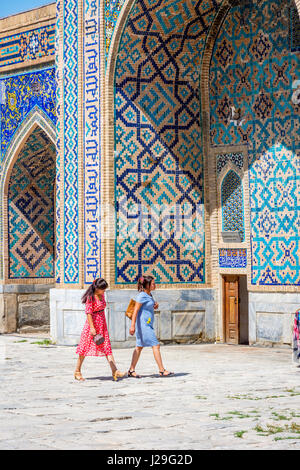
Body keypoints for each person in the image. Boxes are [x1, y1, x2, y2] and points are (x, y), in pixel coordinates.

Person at [74, 278, 125, 381]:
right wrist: (92, 328)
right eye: (103, 289)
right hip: (92, 325)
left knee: (107, 348)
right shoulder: (90, 298)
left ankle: (115, 371)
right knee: (84, 348)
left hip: (102, 325)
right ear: (97, 288)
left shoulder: (102, 296)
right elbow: (88, 313)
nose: (104, 291)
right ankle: (77, 371)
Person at [128, 275, 173, 377]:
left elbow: (147, 307)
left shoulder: (149, 295)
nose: (154, 285)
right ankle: (162, 370)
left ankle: (131, 370)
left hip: (147, 324)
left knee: (139, 347)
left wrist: (155, 306)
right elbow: (135, 311)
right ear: (147, 285)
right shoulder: (142, 296)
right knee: (156, 345)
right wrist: (132, 326)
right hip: (143, 326)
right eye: (152, 283)